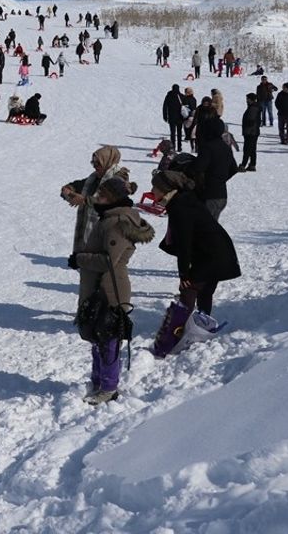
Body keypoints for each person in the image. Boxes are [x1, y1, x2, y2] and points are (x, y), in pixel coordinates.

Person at [71, 177, 154, 405]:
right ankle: (98, 380)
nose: (98, 198)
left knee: (108, 337)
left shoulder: (117, 221)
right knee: (97, 335)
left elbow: (109, 260)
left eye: (103, 195)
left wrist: (80, 258)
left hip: (109, 288)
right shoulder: (108, 217)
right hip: (99, 286)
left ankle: (108, 387)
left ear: (113, 198)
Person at [149, 170, 241, 319]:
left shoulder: (180, 207)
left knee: (188, 289)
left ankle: (177, 330)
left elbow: (184, 243)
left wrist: (184, 273)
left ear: (166, 189)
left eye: (155, 187)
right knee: (204, 292)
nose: (152, 191)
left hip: (213, 256)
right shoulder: (182, 199)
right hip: (216, 253)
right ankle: (200, 326)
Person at [61, 145, 134, 255]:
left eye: (98, 163)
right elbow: (79, 185)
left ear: (108, 161)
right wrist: (68, 190)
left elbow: (108, 200)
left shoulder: (119, 180)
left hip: (109, 230)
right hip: (95, 232)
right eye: (93, 162)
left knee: (102, 263)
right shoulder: (95, 177)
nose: (95, 166)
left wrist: (85, 200)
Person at [191, 117, 238, 220]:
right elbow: (234, 168)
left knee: (205, 228)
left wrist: (202, 184)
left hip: (209, 194)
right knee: (211, 226)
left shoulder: (207, 147)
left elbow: (198, 169)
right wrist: (221, 178)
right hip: (222, 195)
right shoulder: (226, 147)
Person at [238, 93, 260, 172]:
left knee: (247, 149)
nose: (246, 100)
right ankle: (252, 165)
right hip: (253, 132)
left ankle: (243, 165)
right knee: (252, 149)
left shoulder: (253, 108)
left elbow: (251, 120)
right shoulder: (254, 107)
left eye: (247, 99)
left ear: (251, 99)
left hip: (251, 132)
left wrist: (247, 126)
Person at [162, 85, 185, 151]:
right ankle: (179, 147)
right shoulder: (181, 96)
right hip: (180, 117)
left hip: (171, 117)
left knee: (172, 133)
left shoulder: (169, 96)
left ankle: (173, 147)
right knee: (179, 132)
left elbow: (165, 106)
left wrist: (165, 116)